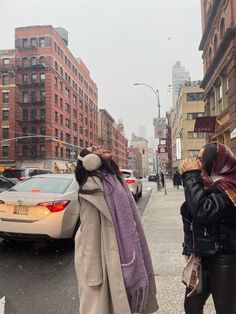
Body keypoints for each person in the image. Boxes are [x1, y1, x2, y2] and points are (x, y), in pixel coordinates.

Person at [74, 145, 158, 314]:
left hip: (120, 248)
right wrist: (94, 276)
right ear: (91, 161)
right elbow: (90, 231)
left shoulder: (113, 178)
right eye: (94, 148)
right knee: (107, 306)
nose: (100, 147)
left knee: (123, 302)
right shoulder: (92, 186)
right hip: (104, 253)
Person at [180, 143, 236, 314]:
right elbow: (190, 217)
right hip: (201, 257)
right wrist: (188, 248)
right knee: (191, 306)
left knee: (225, 309)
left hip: (224, 258)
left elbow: (203, 212)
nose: (197, 163)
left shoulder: (229, 187)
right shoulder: (207, 184)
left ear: (215, 162)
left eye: (201, 159)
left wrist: (190, 176)